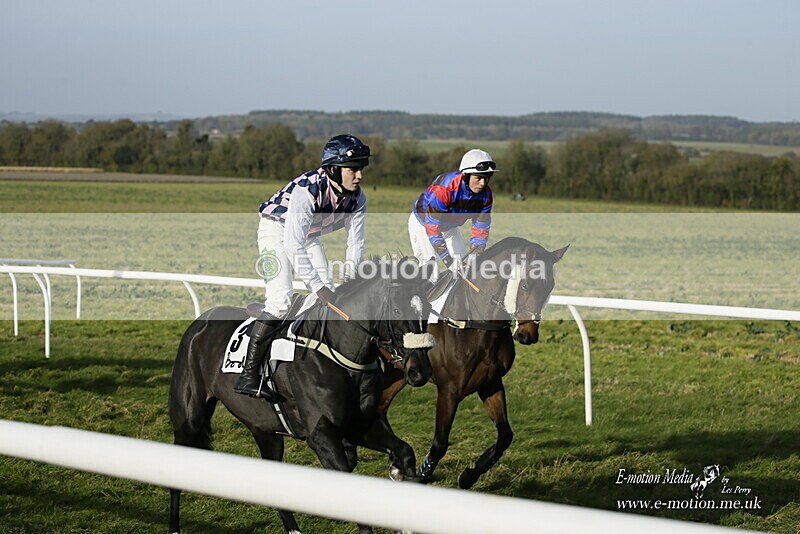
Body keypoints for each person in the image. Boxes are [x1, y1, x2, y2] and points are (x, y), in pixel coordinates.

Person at [234, 134, 370, 400]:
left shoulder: (359, 199)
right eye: (353, 169)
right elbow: (292, 246)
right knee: (282, 300)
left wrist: (349, 285)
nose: (360, 176)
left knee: (333, 295)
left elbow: (355, 246)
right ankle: (248, 375)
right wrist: (318, 288)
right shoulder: (307, 191)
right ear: (333, 169)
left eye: (362, 169)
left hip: (307, 235)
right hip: (276, 230)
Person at [408, 148, 496, 283]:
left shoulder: (486, 196)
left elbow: (480, 230)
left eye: (486, 178)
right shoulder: (444, 189)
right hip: (424, 225)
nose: (483, 183)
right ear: (466, 175)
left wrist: (474, 257)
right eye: (478, 178)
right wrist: (447, 260)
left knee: (466, 271)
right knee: (432, 276)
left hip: (448, 227)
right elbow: (432, 228)